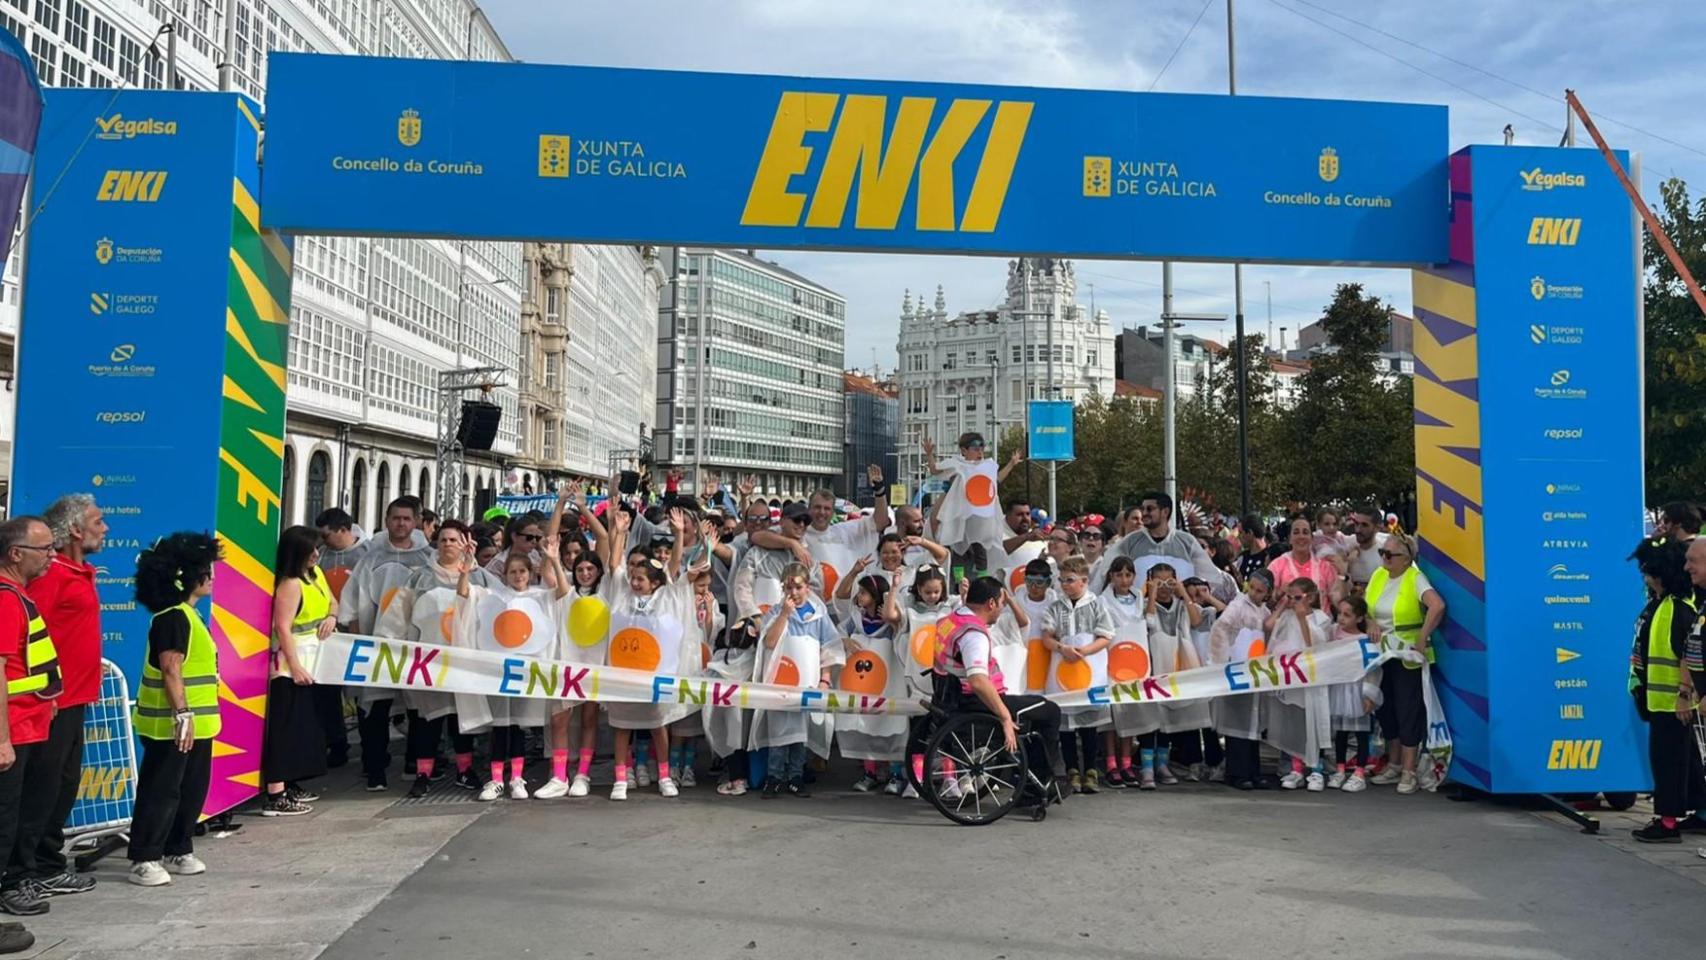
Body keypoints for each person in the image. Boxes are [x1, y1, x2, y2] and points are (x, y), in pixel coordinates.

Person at [12, 496, 104, 900]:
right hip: (51, 705)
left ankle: (47, 865)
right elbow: (28, 636)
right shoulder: (50, 578)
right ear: (76, 531)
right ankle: (24, 872)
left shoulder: (78, 571)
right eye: (98, 521)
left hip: (73, 701)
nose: (106, 529)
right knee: (40, 793)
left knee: (61, 790)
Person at [127, 532, 223, 888]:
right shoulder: (171, 618)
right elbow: (171, 667)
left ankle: (177, 847)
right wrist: (181, 713)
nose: (211, 577)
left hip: (197, 724)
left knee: (192, 788)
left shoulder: (189, 615)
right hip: (170, 725)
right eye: (205, 571)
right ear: (185, 577)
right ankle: (144, 856)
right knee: (162, 789)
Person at [384, 520, 495, 799]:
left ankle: (464, 770)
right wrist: (389, 646)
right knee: (426, 721)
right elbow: (399, 615)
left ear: (465, 543)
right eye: (443, 540)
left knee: (462, 718)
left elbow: (497, 613)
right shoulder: (419, 577)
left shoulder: (480, 577)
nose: (448, 544)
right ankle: (423, 774)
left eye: (454, 540)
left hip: (464, 662)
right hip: (428, 662)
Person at [936, 576, 1064, 806]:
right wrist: (1004, 716)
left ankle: (1028, 776)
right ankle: (1043, 782)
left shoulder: (950, 620)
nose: (1002, 609)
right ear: (991, 603)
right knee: (1050, 710)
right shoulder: (974, 635)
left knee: (1031, 709)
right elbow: (977, 680)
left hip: (948, 696)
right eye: (1002, 604)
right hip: (975, 701)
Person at [340, 497, 434, 791]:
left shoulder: (427, 558)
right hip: (375, 644)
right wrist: (360, 640)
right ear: (386, 520)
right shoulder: (370, 559)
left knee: (418, 708)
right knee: (374, 707)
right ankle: (375, 767)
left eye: (407, 519)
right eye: (396, 518)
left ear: (416, 521)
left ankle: (414, 763)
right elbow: (352, 602)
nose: (401, 524)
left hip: (414, 645)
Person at [0, 518, 60, 921]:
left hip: (28, 725)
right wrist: (2, 739)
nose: (52, 556)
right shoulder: (6, 600)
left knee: (16, 815)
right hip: (13, 730)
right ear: (15, 553)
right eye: (44, 549)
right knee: (4, 819)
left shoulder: (19, 595)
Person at [1630, 537, 1703, 842]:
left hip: (1672, 702)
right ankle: (1698, 811)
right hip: (1664, 700)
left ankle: (1668, 821)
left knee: (1668, 763)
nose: (1644, 577)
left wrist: (1684, 695)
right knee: (1683, 762)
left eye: (1647, 571)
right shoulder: (1661, 605)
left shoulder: (1674, 609)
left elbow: (1685, 653)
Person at [1363, 533, 1446, 794]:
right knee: (1385, 709)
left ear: (1406, 558)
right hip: (1381, 653)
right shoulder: (1378, 576)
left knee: (1407, 709)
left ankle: (1409, 770)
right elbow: (1366, 609)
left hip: (1407, 655)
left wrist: (1422, 638)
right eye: (1382, 553)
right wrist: (1371, 623)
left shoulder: (1414, 578)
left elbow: (1437, 606)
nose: (1384, 559)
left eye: (1390, 554)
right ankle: (1395, 763)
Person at [261, 526, 334, 817]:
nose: (317, 555)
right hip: (291, 665)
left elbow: (332, 601)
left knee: (304, 727)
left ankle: (291, 781)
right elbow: (283, 627)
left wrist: (332, 616)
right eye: (311, 550)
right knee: (285, 728)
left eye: (318, 549)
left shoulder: (315, 576)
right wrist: (295, 665)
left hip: (314, 659)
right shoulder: (291, 584)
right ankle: (276, 793)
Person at [756, 563, 840, 798]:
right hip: (780, 680)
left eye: (798, 587)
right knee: (779, 730)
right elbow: (769, 643)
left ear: (808, 587)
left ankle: (795, 775)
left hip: (807, 681)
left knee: (800, 731)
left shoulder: (819, 615)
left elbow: (829, 647)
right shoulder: (775, 612)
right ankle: (774, 776)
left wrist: (825, 679)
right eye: (788, 587)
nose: (793, 592)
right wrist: (784, 615)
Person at [1039, 556, 1114, 794]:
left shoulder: (1097, 604)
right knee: (1065, 723)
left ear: (1084, 581)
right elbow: (1047, 637)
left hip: (1090, 668)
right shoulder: (1056, 606)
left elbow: (1106, 636)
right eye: (1062, 581)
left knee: (1088, 721)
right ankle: (1071, 769)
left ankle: (1090, 769)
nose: (1065, 585)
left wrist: (1085, 651)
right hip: (1062, 669)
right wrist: (1062, 648)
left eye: (1070, 580)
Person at [833, 563, 907, 793]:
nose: (859, 596)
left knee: (890, 723)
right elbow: (838, 631)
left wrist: (893, 590)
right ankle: (871, 772)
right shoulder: (856, 619)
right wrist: (844, 641)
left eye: (864, 592)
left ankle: (896, 773)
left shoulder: (890, 623)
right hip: (863, 683)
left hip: (889, 683)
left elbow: (896, 622)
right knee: (865, 725)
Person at [1263, 578, 1333, 791]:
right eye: (1290, 597)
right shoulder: (1286, 616)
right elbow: (1269, 627)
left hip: (1311, 680)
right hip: (1290, 679)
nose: (1293, 601)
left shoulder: (1322, 618)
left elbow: (1315, 644)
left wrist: (1303, 619)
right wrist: (1282, 606)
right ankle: (1295, 768)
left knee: (1312, 724)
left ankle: (1316, 770)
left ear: (1310, 598)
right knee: (1292, 724)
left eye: (1297, 598)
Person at [313, 507, 368, 767]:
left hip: (356, 630)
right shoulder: (321, 556)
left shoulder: (365, 555)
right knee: (328, 691)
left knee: (360, 692)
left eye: (327, 536)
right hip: (327, 633)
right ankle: (335, 742)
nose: (323, 542)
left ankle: (368, 743)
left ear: (344, 531)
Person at [1209, 570, 1274, 790]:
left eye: (1260, 591)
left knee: (1252, 725)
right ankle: (1236, 773)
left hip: (1255, 672)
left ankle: (1253, 771)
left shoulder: (1264, 611)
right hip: (1237, 668)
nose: (1254, 593)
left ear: (1267, 593)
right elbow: (1220, 631)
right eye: (1252, 588)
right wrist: (1223, 663)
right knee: (1237, 724)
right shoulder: (1237, 607)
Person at [1098, 555, 1145, 786]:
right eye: (1119, 575)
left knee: (1130, 713)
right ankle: (1110, 763)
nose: (1124, 580)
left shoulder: (1140, 598)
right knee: (1110, 716)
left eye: (1128, 575)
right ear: (1111, 576)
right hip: (1111, 662)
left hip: (1135, 664)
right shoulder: (1102, 601)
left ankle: (1126, 762)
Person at [1328, 597, 1381, 793]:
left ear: (1359, 618)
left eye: (1347, 615)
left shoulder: (1365, 641)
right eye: (1339, 613)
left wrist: (1369, 695)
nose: (1341, 618)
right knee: (1341, 732)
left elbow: (1373, 670)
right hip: (1340, 689)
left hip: (1356, 690)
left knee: (1361, 733)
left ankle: (1359, 772)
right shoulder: (1333, 633)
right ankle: (1340, 769)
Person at [1112, 491, 1218, 581]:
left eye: (1149, 509)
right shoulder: (1130, 542)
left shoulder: (1187, 542)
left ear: (1165, 512)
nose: (1144, 513)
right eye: (1142, 508)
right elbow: (1105, 573)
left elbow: (1208, 578)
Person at [1266, 515, 1342, 614]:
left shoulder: (1325, 567)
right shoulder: (1277, 565)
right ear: (1290, 538)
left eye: (1305, 532)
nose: (1301, 536)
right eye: (1296, 532)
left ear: (1312, 538)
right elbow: (1264, 604)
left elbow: (1338, 603)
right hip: (1287, 626)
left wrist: (1342, 574)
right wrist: (1279, 594)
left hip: (1321, 626)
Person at [1344, 505, 1389, 592]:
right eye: (1356, 524)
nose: (1358, 530)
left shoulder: (1387, 549)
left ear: (1377, 528)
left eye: (1364, 525)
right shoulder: (1347, 544)